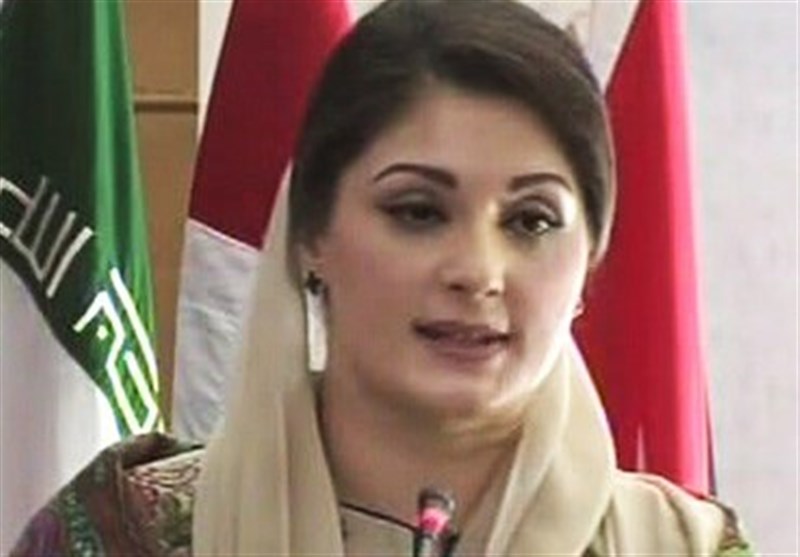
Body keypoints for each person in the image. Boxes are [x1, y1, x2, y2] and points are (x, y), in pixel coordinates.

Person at [11, 1, 752, 555]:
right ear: (311, 236)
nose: (477, 272)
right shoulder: (125, 536)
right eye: (418, 212)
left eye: (531, 222)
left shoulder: (678, 547)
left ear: (589, 260)